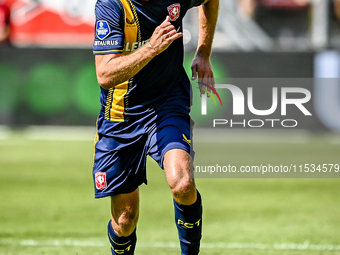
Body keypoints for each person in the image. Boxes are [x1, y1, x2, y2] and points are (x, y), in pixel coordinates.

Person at [92, 0, 218, 253]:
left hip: (167, 102)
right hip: (121, 115)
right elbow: (104, 75)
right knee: (125, 222)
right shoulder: (112, 5)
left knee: (182, 183)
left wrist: (204, 52)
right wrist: (151, 48)